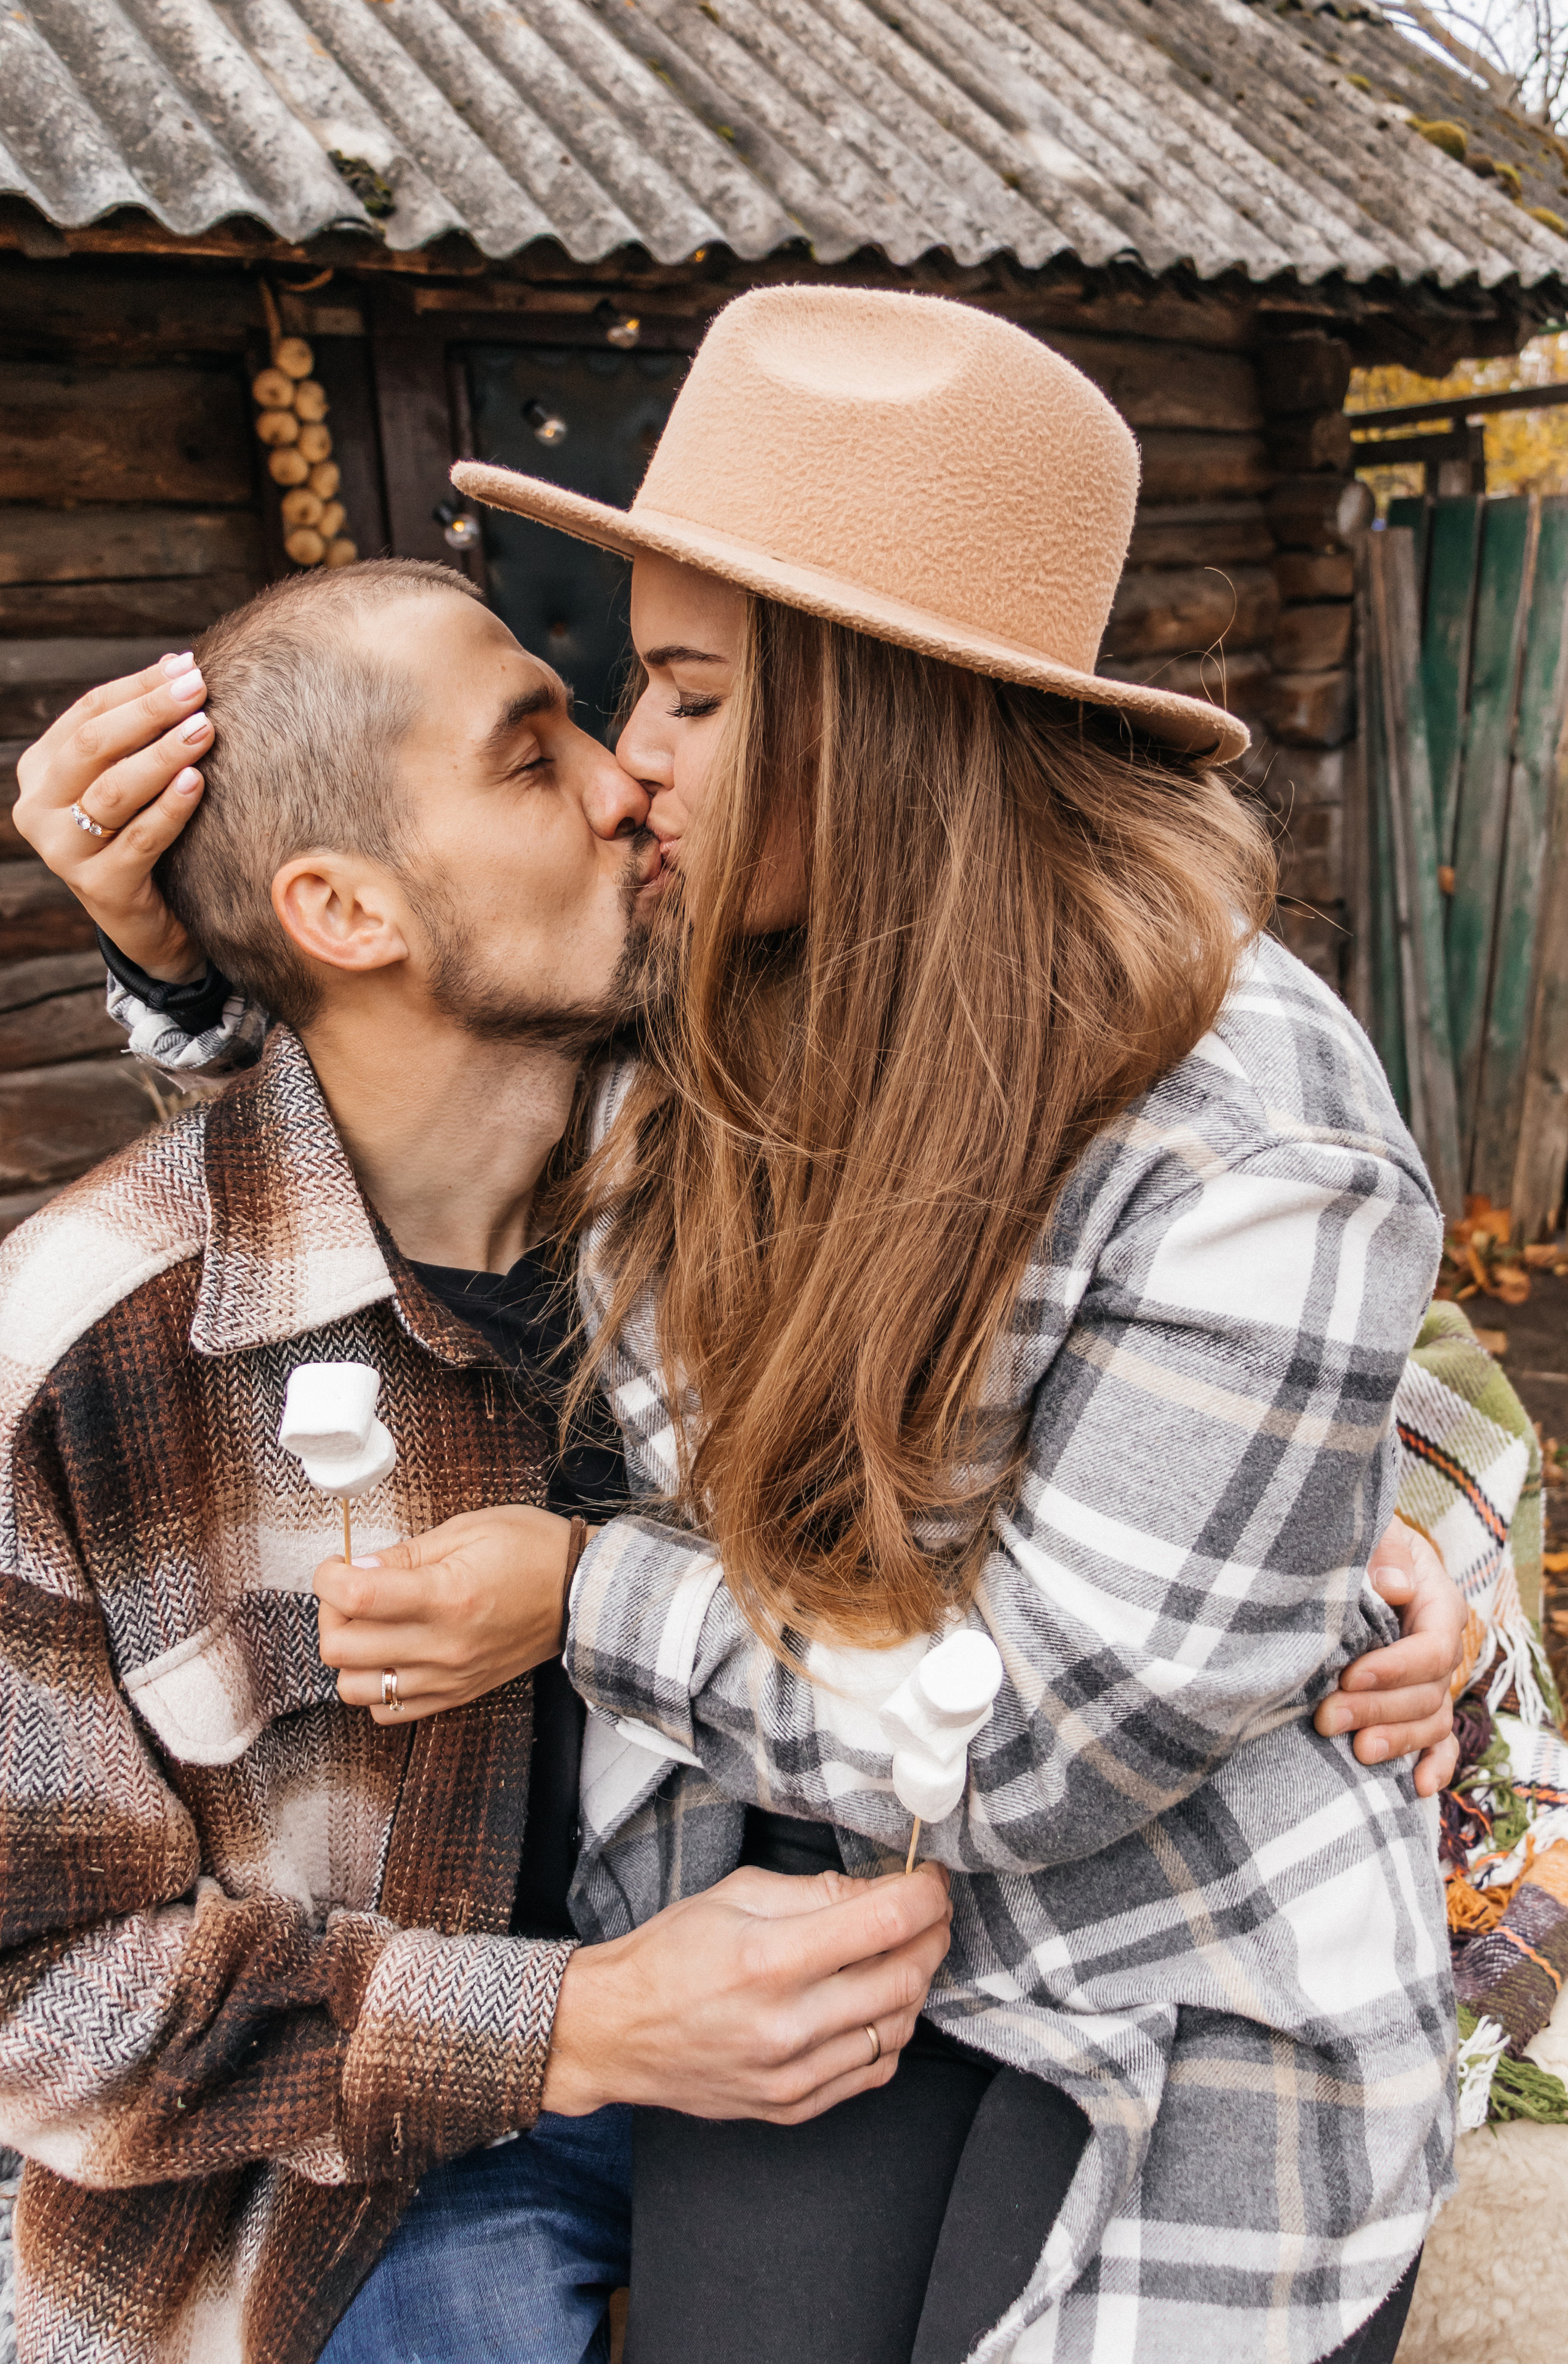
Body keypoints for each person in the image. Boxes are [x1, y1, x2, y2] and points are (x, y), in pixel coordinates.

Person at [14, 294, 1466, 2364]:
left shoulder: (1218, 1119)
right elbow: (403, 1139)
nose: (632, 766)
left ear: (879, 726)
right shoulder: (702, 1013)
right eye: (598, 710)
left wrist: (583, 1598)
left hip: (1160, 1956)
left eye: (682, 693)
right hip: (732, 1935)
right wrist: (195, 949)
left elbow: (1093, 1674)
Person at [0, 558, 958, 2364]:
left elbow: (1228, 1336)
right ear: (347, 910)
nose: (626, 783)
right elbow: (31, 1996)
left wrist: (1408, 1574)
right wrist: (573, 2025)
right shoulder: (77, 1357)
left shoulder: (766, 1177)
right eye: (534, 759)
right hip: (345, 2188)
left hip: (802, 2076)